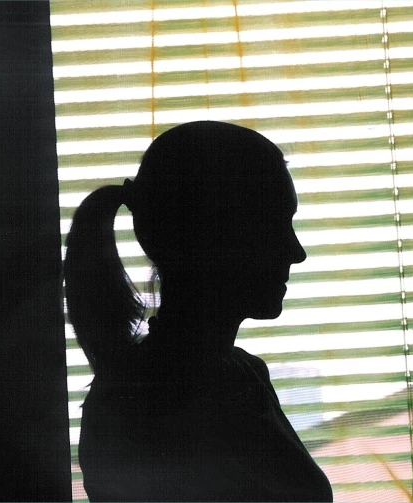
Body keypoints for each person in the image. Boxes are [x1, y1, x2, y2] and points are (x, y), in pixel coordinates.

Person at [63, 121, 333, 502]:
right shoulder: (143, 407)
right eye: (274, 226)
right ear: (216, 238)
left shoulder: (243, 375)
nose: (296, 251)